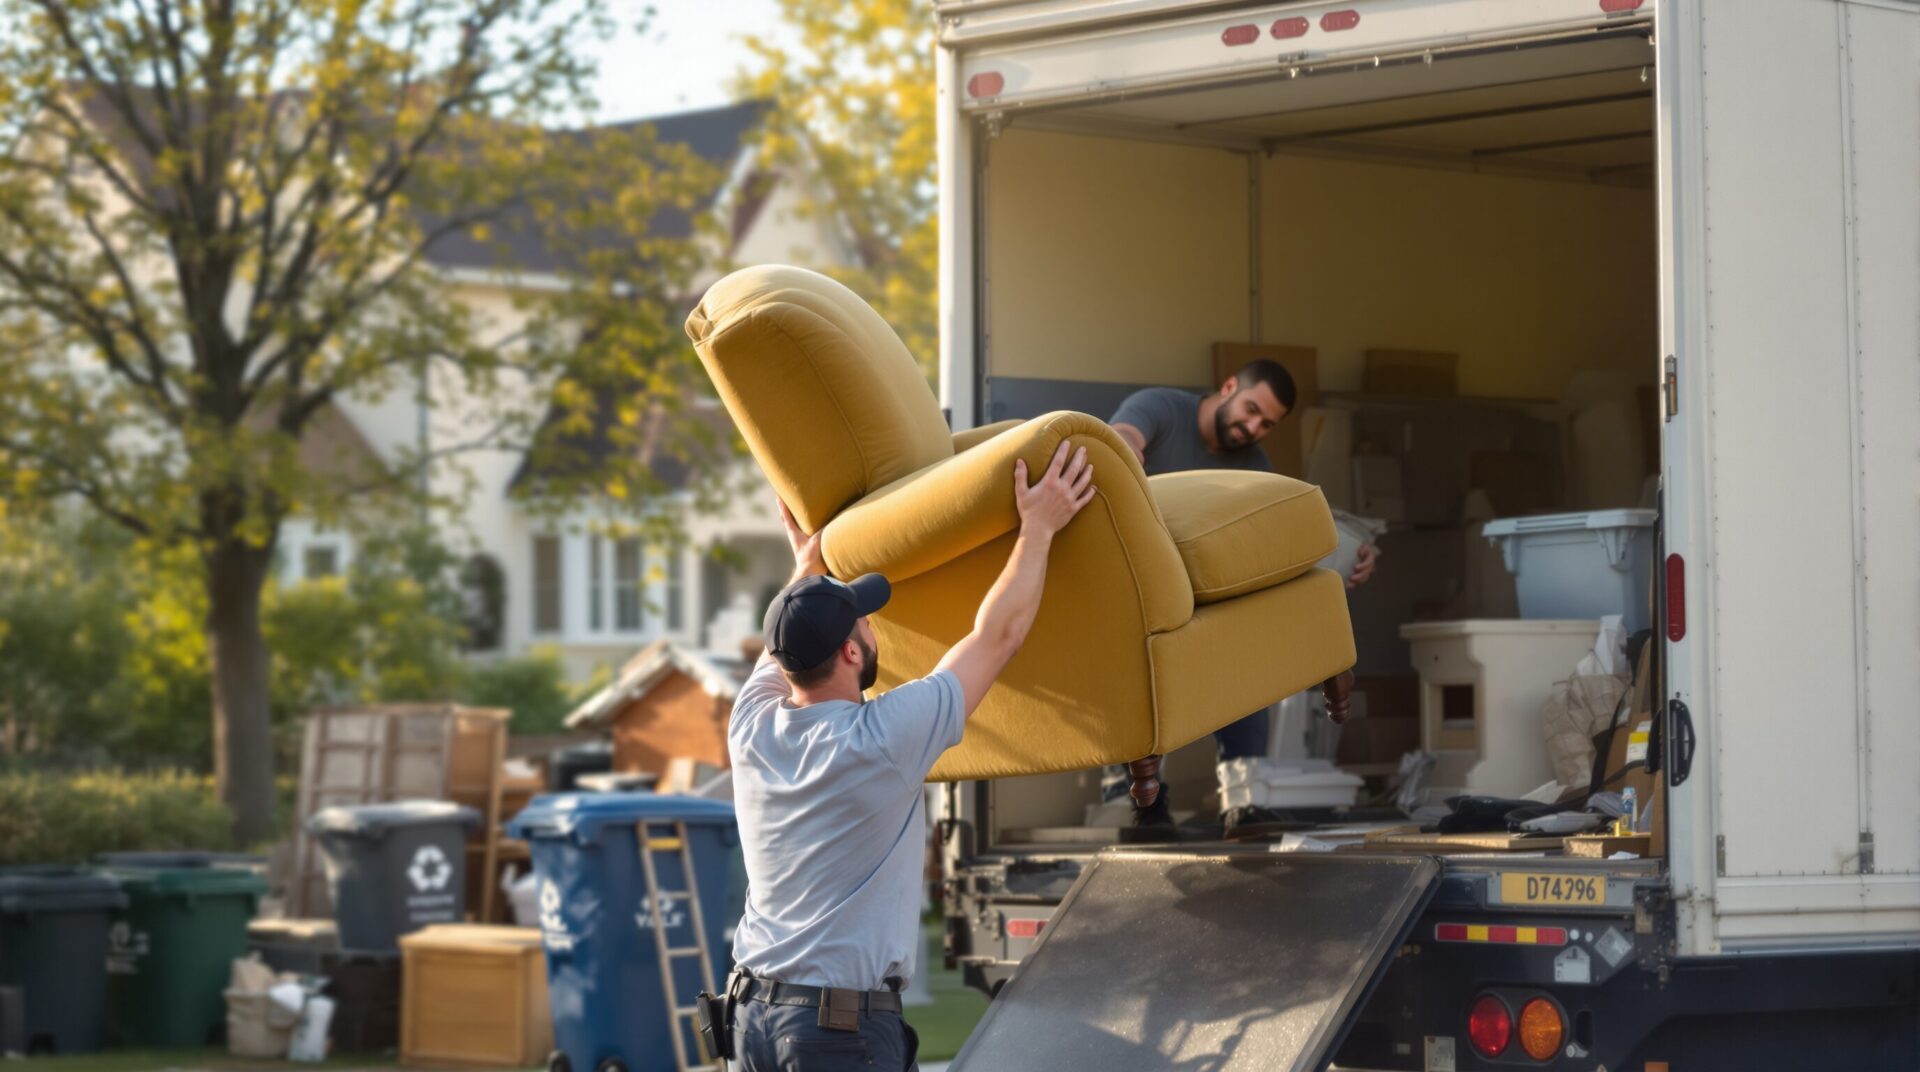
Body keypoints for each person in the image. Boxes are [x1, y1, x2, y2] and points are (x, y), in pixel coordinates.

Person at [723, 442, 1097, 1071]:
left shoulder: (750, 725)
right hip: (830, 1034)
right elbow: (997, 637)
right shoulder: (880, 741)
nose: (874, 631)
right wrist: (1039, 526)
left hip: (752, 1019)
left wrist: (805, 572)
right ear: (848, 653)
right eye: (865, 625)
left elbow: (782, 640)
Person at [1106, 359, 1377, 837]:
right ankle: (1135, 804)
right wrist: (1126, 448)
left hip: (1204, 591)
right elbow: (1123, 434)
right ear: (1229, 387)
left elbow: (1272, 540)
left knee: (1249, 649)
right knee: (1130, 662)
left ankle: (1244, 800)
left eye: (1266, 423)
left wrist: (1340, 561)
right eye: (1250, 409)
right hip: (1133, 587)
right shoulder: (1162, 408)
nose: (1252, 427)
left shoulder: (1255, 467)